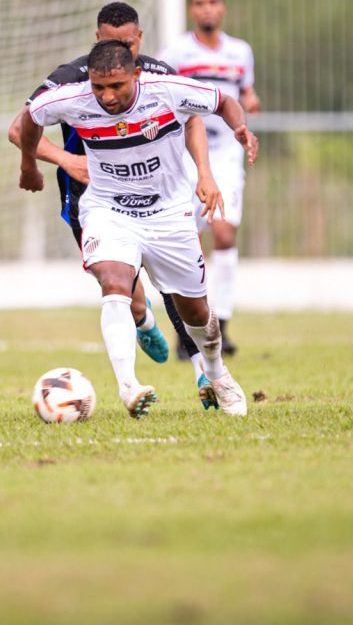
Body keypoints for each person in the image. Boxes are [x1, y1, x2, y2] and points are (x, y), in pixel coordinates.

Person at [18, 39, 258, 417]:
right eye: (99, 87)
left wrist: (239, 128)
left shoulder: (167, 91)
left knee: (196, 313)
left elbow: (223, 101)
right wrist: (29, 165)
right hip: (109, 209)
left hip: (168, 212)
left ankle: (217, 373)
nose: (107, 96)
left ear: (137, 74)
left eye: (117, 86)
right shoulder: (72, 98)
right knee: (114, 281)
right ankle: (128, 385)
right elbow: (30, 118)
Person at [7, 2, 213, 406]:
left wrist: (204, 171)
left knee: (176, 285)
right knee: (123, 291)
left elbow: (193, 117)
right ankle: (142, 318)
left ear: (140, 40)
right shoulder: (69, 78)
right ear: (96, 40)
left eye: (128, 45)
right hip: (93, 197)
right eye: (109, 44)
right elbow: (20, 129)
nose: (118, 53)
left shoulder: (157, 75)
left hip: (158, 197)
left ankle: (202, 372)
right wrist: (65, 160)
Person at [161, 0, 261, 355]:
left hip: (227, 155)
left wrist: (250, 99)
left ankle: (223, 326)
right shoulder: (177, 52)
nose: (207, 8)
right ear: (191, 10)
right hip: (187, 154)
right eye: (200, 2)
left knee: (224, 233)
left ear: (223, 8)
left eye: (213, 2)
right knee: (188, 240)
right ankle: (189, 330)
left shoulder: (240, 52)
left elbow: (245, 91)